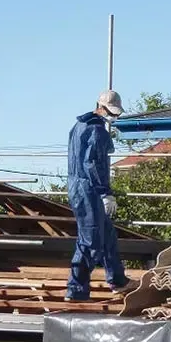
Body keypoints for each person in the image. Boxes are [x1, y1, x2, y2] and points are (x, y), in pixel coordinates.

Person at [65, 90, 136, 301]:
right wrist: (105, 193)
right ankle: (76, 288)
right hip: (90, 190)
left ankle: (118, 280)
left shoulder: (78, 127)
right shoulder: (98, 131)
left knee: (107, 236)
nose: (113, 117)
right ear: (101, 106)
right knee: (91, 240)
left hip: (78, 187)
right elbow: (93, 165)